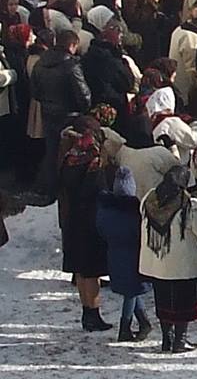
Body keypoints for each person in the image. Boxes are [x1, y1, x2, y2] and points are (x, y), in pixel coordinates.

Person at [139, 165, 197, 353]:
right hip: (183, 266)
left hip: (157, 264)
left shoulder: (149, 200)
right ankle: (180, 341)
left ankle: (167, 339)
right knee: (184, 305)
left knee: (164, 302)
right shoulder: (190, 206)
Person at [58, 117, 111, 331]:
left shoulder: (68, 158)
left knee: (79, 270)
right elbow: (100, 192)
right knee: (92, 272)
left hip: (72, 220)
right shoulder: (93, 163)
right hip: (90, 222)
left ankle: (86, 313)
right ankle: (94, 314)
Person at [31, 29, 91, 199]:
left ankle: (51, 189)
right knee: (70, 153)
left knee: (51, 151)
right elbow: (83, 95)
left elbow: (35, 92)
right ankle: (67, 191)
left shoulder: (40, 63)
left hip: (48, 113)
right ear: (72, 45)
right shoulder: (71, 66)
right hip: (70, 115)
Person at [96, 165, 152, 341]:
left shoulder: (105, 210)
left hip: (114, 254)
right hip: (134, 256)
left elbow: (101, 230)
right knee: (132, 291)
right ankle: (125, 327)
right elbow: (140, 234)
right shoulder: (134, 213)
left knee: (131, 291)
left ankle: (144, 322)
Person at [167, 4, 197, 100]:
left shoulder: (179, 29)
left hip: (176, 79)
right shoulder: (192, 38)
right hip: (185, 87)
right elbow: (192, 68)